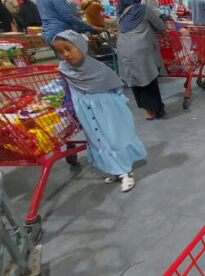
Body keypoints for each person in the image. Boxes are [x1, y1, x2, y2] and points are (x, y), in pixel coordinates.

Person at [48, 30, 145, 192]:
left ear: (80, 46)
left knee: (113, 139)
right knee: (98, 140)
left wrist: (124, 103)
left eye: (68, 49)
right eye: (60, 52)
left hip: (107, 111)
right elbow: (58, 84)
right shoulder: (65, 70)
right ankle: (114, 170)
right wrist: (41, 92)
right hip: (86, 113)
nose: (65, 55)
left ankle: (126, 171)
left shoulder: (97, 68)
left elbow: (115, 87)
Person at [116, 0, 167, 121]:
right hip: (141, 49)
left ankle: (148, 111)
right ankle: (156, 109)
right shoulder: (144, 9)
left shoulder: (120, 13)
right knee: (149, 79)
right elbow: (161, 27)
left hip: (123, 49)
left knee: (135, 81)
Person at [34, 0, 100, 54]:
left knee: (64, 61)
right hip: (60, 33)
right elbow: (67, 17)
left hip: (46, 33)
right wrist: (91, 27)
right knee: (76, 60)